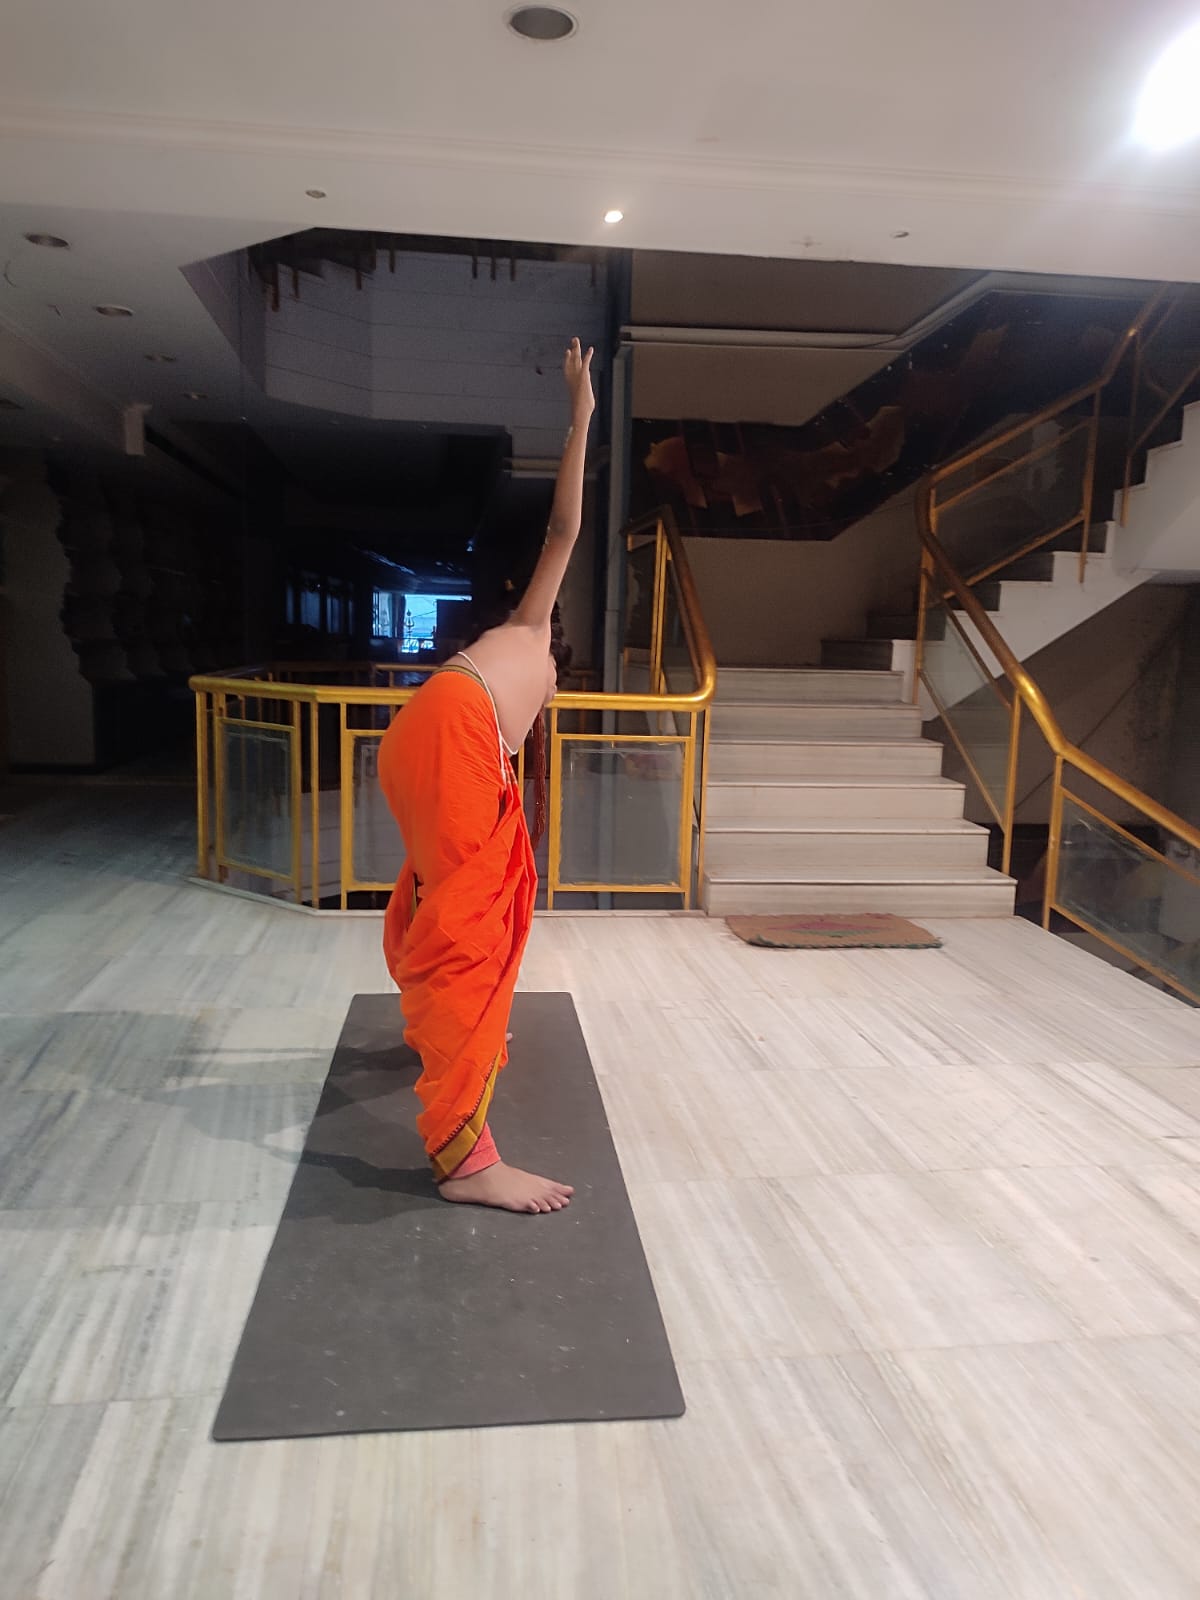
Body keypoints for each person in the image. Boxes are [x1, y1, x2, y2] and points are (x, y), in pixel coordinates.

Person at [378, 337, 594, 1214]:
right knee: (474, 925)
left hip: (420, 732)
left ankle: (450, 1030)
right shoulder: (534, 634)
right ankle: (465, 1161)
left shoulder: (510, 655)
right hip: (451, 730)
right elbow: (565, 528)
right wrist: (580, 417)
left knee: (450, 895)